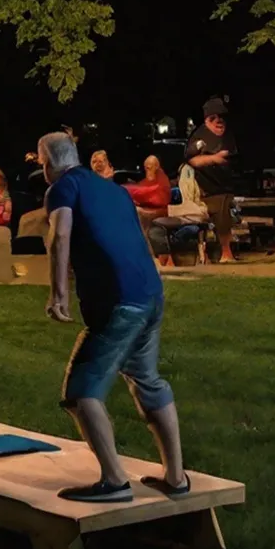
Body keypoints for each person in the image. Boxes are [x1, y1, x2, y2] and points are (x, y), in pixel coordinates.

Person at [39, 130, 187, 502]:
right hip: (150, 293)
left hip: (118, 301)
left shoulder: (63, 188)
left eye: (41, 162)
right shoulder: (114, 190)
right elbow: (138, 234)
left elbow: (60, 235)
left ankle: (115, 481)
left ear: (49, 162)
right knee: (147, 379)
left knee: (81, 392)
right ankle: (176, 477)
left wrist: (58, 292)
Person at [184, 97, 238, 263]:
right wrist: (212, 158)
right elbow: (191, 159)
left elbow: (227, 157)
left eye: (221, 117)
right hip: (202, 189)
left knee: (222, 209)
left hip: (223, 189)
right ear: (207, 119)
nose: (218, 121)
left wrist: (205, 159)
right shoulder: (199, 135)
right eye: (213, 118)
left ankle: (226, 252)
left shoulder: (228, 136)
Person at [123, 155, 171, 231]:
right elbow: (142, 187)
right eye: (145, 168)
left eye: (148, 168)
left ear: (156, 166)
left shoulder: (162, 179)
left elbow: (153, 194)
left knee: (137, 211)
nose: (147, 171)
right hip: (148, 208)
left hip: (159, 211)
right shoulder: (149, 178)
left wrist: (127, 190)